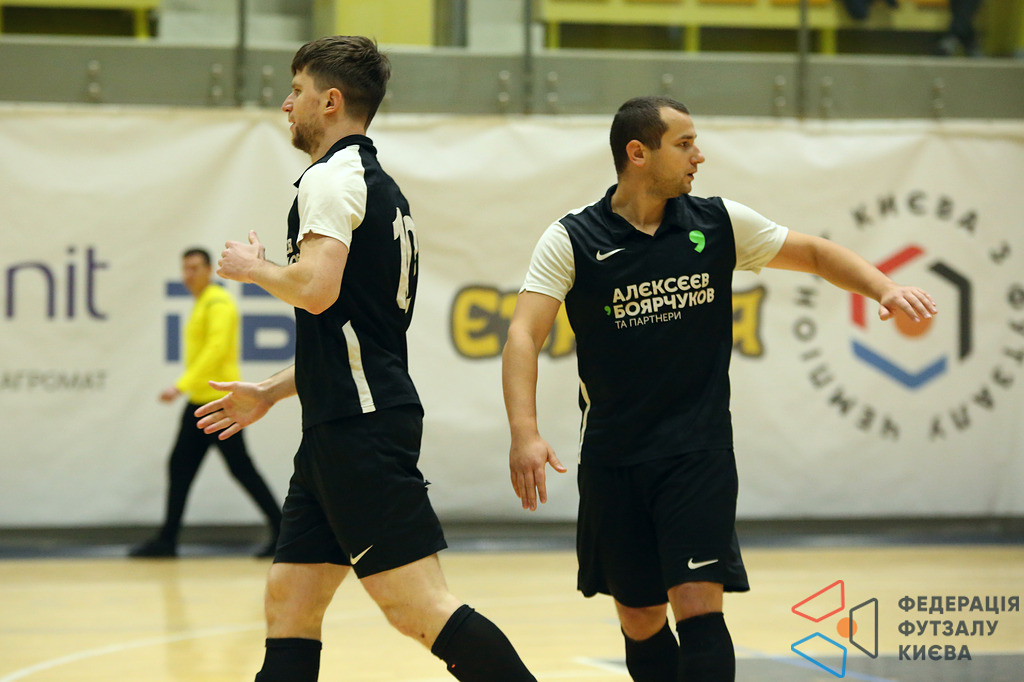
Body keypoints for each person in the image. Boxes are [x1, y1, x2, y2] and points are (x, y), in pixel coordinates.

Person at [502, 95, 938, 681]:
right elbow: (524, 334)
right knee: (639, 617)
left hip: (697, 452)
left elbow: (813, 253)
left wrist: (883, 288)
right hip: (614, 456)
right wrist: (525, 433)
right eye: (684, 144)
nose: (698, 156)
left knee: (699, 607)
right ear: (638, 153)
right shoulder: (572, 237)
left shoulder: (717, 222)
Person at [192, 36, 536, 682]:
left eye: (296, 91)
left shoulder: (331, 178)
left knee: (419, 607)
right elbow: (351, 335)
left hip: (361, 430)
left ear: (330, 101)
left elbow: (316, 289)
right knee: (290, 601)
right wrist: (269, 391)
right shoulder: (374, 184)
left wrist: (253, 269)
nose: (286, 104)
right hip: (340, 425)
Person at [130, 248, 282, 559]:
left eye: (195, 268)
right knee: (182, 467)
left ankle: (283, 531)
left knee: (240, 469)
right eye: (185, 269)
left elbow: (215, 349)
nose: (189, 275)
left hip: (221, 403)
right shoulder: (203, 303)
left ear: (209, 270)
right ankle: (167, 540)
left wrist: (180, 386)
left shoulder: (218, 302)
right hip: (202, 402)